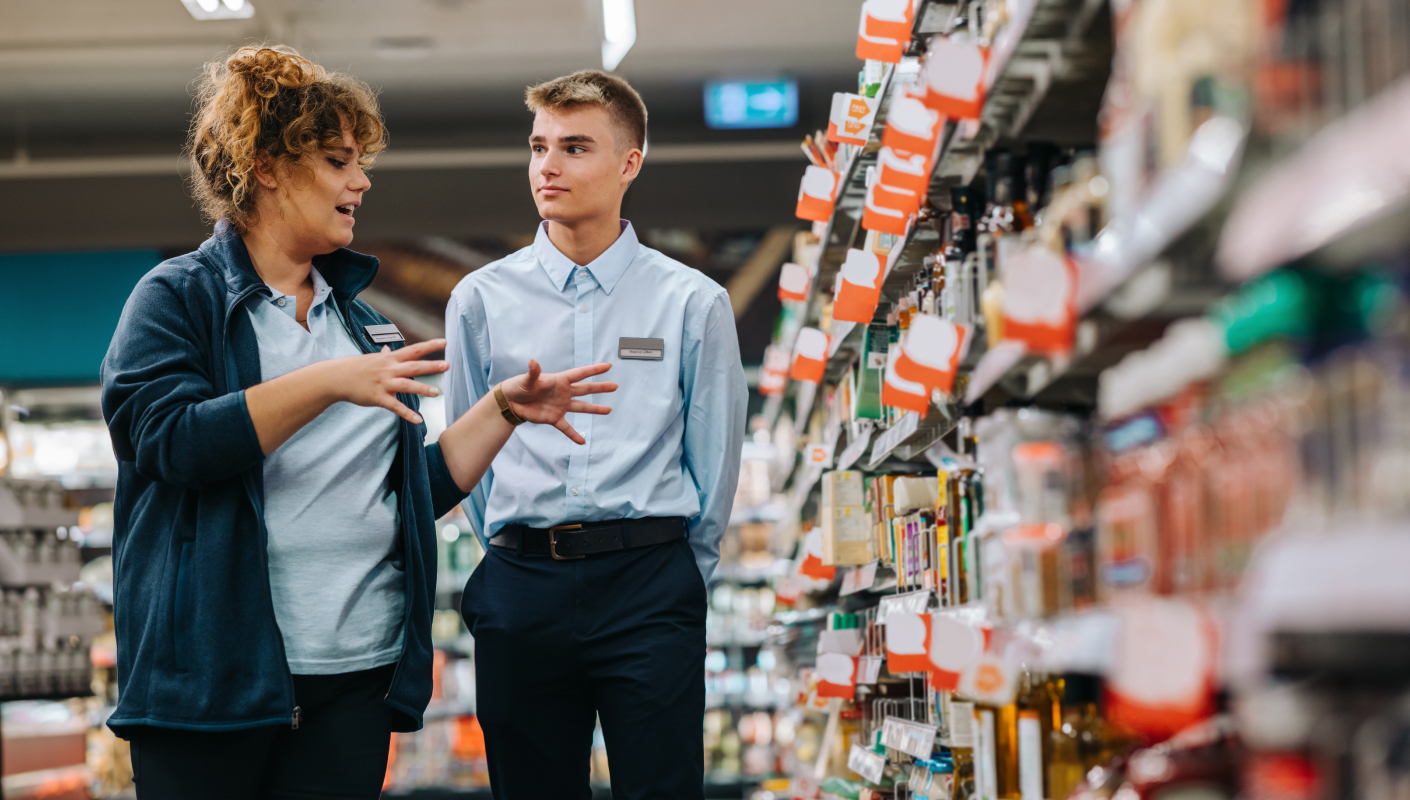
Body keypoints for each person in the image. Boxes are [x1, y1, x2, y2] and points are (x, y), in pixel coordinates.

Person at [100, 46, 617, 800]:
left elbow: (408, 491)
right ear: (268, 165)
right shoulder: (178, 299)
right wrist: (329, 383)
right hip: (211, 684)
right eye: (340, 161)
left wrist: (503, 411)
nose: (361, 181)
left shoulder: (364, 326)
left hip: (353, 679)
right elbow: (167, 441)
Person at [444, 69, 748, 799]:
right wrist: (516, 555)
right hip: (522, 585)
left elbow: (715, 462)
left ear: (629, 163)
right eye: (538, 146)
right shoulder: (480, 301)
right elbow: (465, 459)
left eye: (575, 147)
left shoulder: (692, 303)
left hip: (650, 583)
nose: (547, 167)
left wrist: (676, 575)